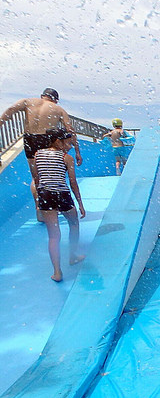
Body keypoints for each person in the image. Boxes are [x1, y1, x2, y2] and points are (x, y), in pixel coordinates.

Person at [0, 88, 83, 221]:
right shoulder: (58, 109)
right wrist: (77, 151)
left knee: (36, 178)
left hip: (30, 140)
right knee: (51, 176)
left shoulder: (27, 101)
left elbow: (10, 110)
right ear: (55, 99)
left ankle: (40, 208)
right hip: (47, 140)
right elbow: (70, 130)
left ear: (42, 96)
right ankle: (57, 205)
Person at [32, 128, 86, 282]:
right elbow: (73, 182)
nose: (69, 146)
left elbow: (37, 178)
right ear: (57, 141)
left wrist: (40, 198)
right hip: (61, 194)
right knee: (74, 223)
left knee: (54, 236)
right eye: (67, 142)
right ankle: (73, 256)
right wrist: (80, 203)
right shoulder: (66, 158)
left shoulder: (37, 154)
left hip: (45, 194)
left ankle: (57, 272)